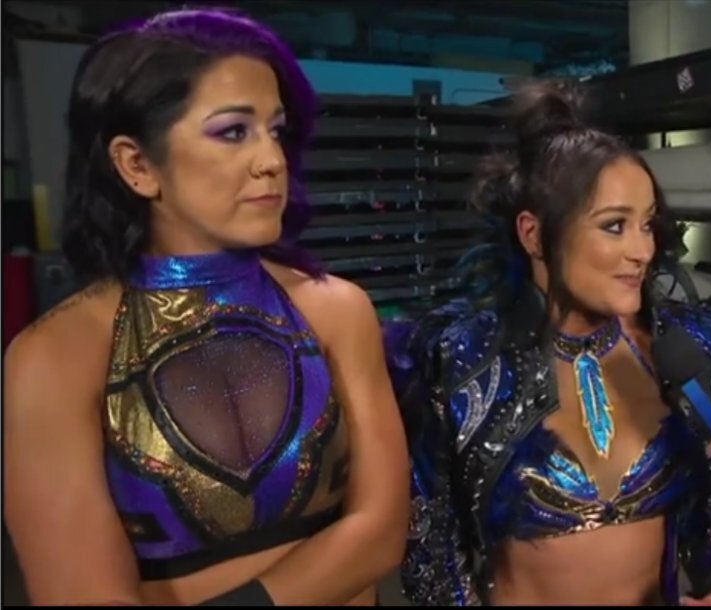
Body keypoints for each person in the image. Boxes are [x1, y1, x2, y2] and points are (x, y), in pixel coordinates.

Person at [1, 8, 410, 606]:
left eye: (276, 130)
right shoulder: (57, 356)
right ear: (137, 165)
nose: (272, 160)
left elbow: (381, 532)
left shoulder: (336, 311)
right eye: (233, 132)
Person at [386, 81, 711, 607]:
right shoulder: (461, 364)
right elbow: (432, 557)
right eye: (614, 226)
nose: (643, 250)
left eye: (648, 225)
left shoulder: (686, 350)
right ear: (534, 235)